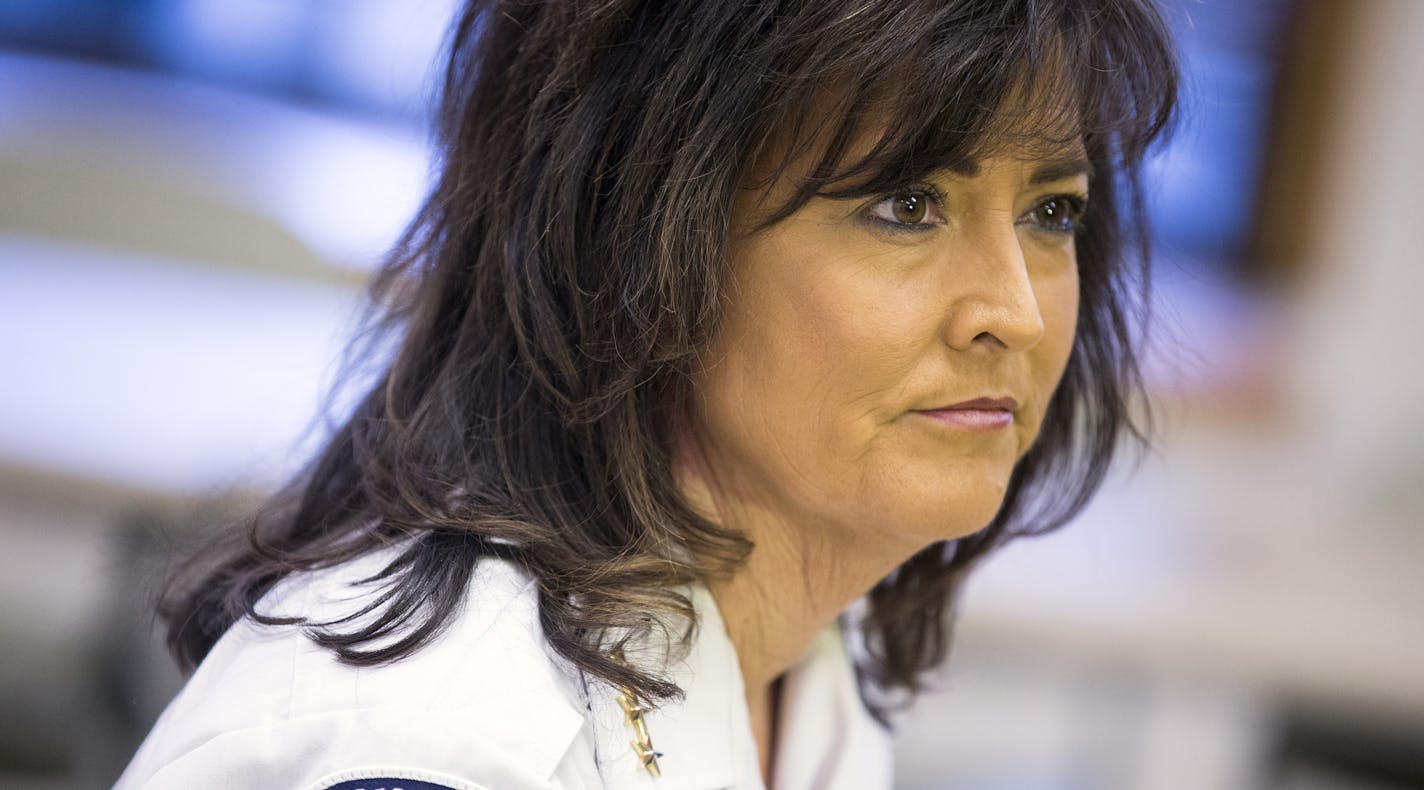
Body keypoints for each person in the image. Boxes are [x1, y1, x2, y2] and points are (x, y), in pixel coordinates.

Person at [116, 0, 1178, 787]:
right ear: (636, 234)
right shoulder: (434, 748)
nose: (1017, 313)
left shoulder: (801, 662)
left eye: (1049, 211)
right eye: (905, 205)